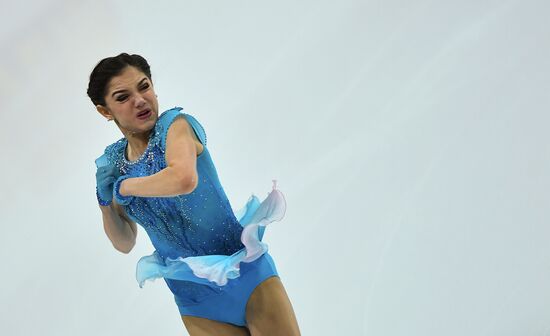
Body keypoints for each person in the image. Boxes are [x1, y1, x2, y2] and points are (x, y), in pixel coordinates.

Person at [87, 53, 301, 336]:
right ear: (105, 111)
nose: (139, 99)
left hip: (245, 275)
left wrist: (123, 187)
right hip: (195, 301)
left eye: (144, 86)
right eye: (123, 97)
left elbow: (183, 178)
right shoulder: (114, 162)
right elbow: (124, 242)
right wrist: (105, 204)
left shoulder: (177, 126)